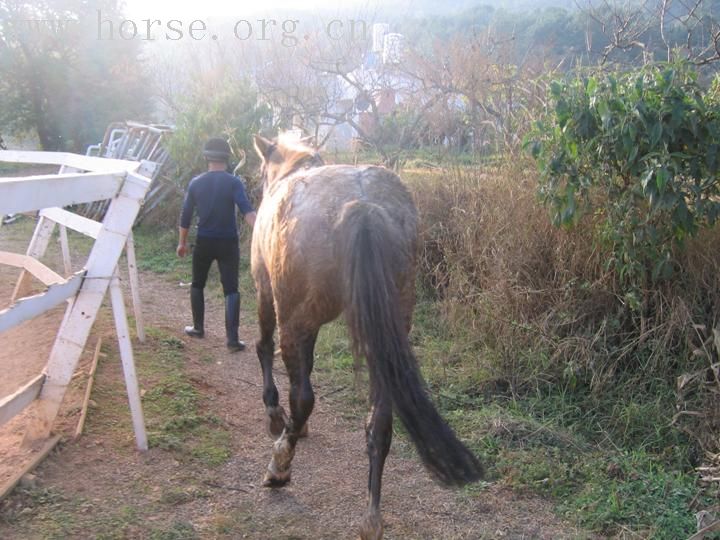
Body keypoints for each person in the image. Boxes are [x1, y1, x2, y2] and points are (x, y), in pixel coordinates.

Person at [177, 137, 256, 352]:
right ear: (227, 158)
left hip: (204, 241)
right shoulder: (234, 182)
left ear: (206, 157)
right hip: (228, 243)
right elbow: (247, 211)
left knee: (197, 284)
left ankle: (198, 328)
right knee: (231, 289)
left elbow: (185, 217)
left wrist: (181, 244)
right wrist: (261, 232)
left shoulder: (196, 183)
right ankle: (232, 339)